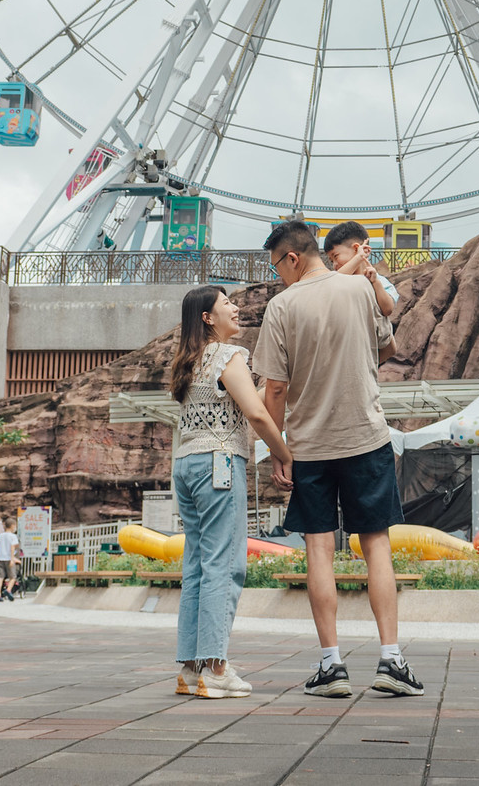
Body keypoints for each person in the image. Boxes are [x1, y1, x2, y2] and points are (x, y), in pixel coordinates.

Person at [254, 221, 423, 698]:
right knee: (377, 547)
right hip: (366, 438)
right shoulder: (357, 289)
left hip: (310, 448)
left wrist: (278, 452)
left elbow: (276, 388)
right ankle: (391, 659)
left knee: (319, 551)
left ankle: (332, 666)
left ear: (291, 258)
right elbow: (387, 346)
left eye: (276, 267)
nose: (277, 277)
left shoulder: (282, 307)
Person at [169, 283, 293, 699]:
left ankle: (190, 669)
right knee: (225, 564)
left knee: (198, 565)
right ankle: (218, 667)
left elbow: (247, 399)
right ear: (208, 318)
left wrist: (279, 383)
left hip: (186, 465)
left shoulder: (189, 361)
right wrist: (283, 452)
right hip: (219, 463)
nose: (236, 308)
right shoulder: (227, 355)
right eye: (227, 304)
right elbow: (256, 413)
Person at [322, 221, 398, 319]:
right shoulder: (337, 279)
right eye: (332, 261)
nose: (334, 264)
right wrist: (358, 257)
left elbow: (388, 309)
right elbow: (334, 283)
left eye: (336, 256)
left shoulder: (380, 282)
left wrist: (376, 283)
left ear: (356, 248)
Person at [0, 509, 19, 600]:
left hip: (0, 558)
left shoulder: (1, 535)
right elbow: (12, 547)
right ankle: (8, 590)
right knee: (13, 576)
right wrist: (12, 558)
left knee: (0, 576)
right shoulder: (13, 536)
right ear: (12, 526)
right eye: (15, 526)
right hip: (8, 558)